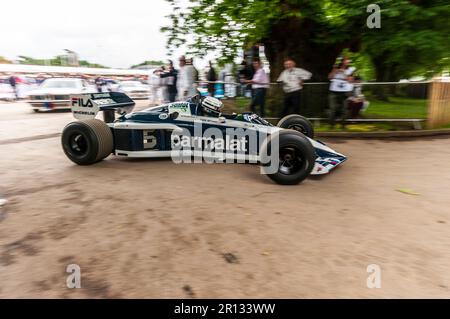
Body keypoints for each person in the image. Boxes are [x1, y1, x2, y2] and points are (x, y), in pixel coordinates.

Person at [328, 57, 356, 127]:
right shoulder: (336, 68)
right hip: (333, 91)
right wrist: (334, 70)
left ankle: (343, 125)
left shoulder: (351, 69)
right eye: (346, 61)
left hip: (345, 92)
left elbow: (350, 80)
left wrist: (343, 72)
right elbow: (330, 77)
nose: (347, 62)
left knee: (344, 109)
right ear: (342, 62)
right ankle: (332, 125)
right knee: (332, 108)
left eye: (348, 61)